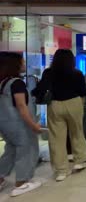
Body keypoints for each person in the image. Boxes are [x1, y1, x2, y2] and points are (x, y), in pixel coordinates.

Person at [32, 49, 86, 181]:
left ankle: (61, 171)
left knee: (56, 138)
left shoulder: (48, 73)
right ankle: (79, 160)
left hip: (55, 104)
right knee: (77, 132)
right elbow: (83, 92)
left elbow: (39, 89)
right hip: (74, 103)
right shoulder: (77, 73)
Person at [0, 52, 42, 197]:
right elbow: (22, 107)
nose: (24, 64)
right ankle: (21, 182)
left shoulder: (3, 82)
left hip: (5, 124)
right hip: (19, 124)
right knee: (26, 149)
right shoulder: (17, 83)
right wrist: (33, 125)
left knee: (10, 151)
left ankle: (0, 178)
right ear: (15, 65)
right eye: (22, 62)